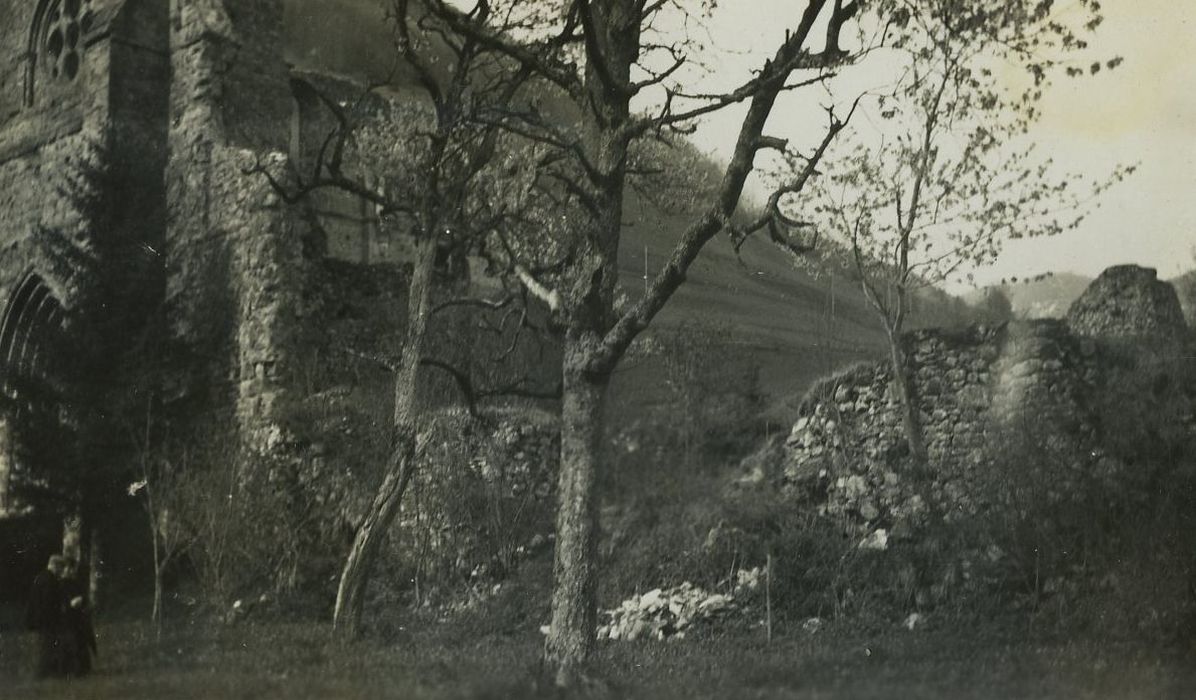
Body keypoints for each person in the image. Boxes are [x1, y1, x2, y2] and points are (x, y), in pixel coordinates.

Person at [24, 554, 69, 679]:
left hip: (38, 619)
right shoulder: (50, 580)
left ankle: (45, 673)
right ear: (55, 566)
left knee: (44, 647)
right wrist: (57, 618)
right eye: (61, 568)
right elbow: (48, 603)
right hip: (46, 620)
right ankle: (43, 674)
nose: (62, 572)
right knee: (46, 648)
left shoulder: (40, 577)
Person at [62, 557, 97, 676]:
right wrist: (70, 604)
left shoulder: (76, 582)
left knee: (82, 641)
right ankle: (73, 669)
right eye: (69, 569)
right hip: (67, 617)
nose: (71, 571)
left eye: (73, 569)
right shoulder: (60, 584)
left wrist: (82, 599)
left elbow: (85, 596)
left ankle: (84, 668)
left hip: (79, 616)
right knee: (72, 642)